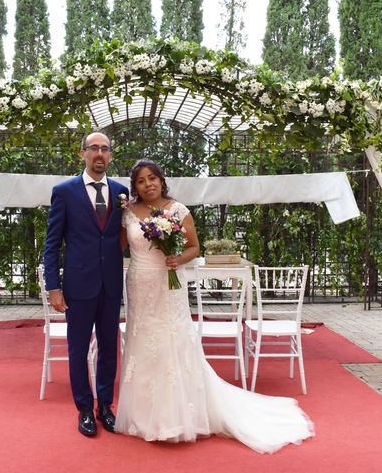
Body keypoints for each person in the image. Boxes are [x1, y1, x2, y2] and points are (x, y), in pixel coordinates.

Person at [114, 159, 314, 453]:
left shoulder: (178, 209)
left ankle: (180, 416)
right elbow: (117, 246)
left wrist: (177, 259)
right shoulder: (128, 213)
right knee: (142, 341)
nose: (148, 184)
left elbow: (194, 247)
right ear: (135, 187)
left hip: (170, 286)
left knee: (173, 341)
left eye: (152, 178)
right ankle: (144, 416)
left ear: (161, 180)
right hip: (139, 284)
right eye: (141, 181)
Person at [43, 132, 129, 437]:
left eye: (105, 149)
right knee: (78, 350)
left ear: (110, 156)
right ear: (83, 154)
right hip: (78, 286)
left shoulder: (121, 192)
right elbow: (52, 244)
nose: (100, 154)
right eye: (94, 148)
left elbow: (121, 235)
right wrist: (53, 287)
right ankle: (83, 409)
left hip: (110, 285)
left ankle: (105, 406)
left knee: (109, 349)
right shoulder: (64, 192)